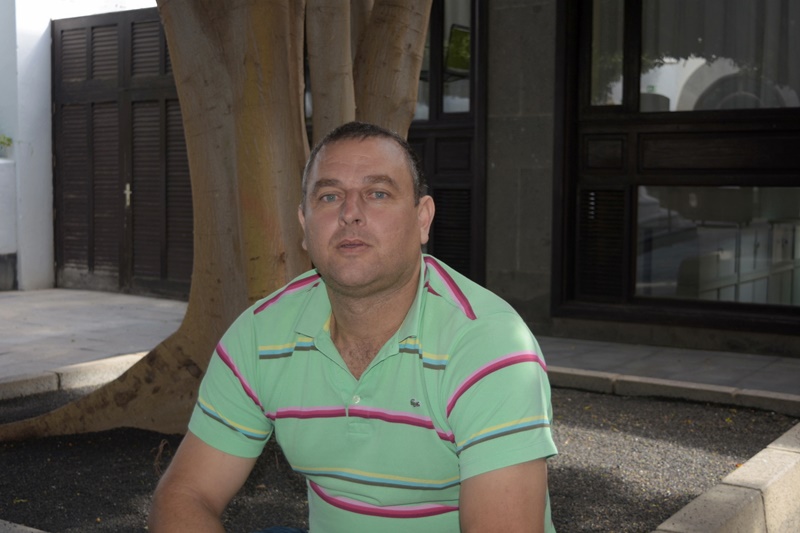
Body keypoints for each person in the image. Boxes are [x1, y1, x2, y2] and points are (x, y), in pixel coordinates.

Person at [149, 121, 558, 532]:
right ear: (304, 225)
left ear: (422, 219)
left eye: (377, 193)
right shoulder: (261, 334)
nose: (350, 213)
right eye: (329, 196)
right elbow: (185, 494)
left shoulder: (488, 344)